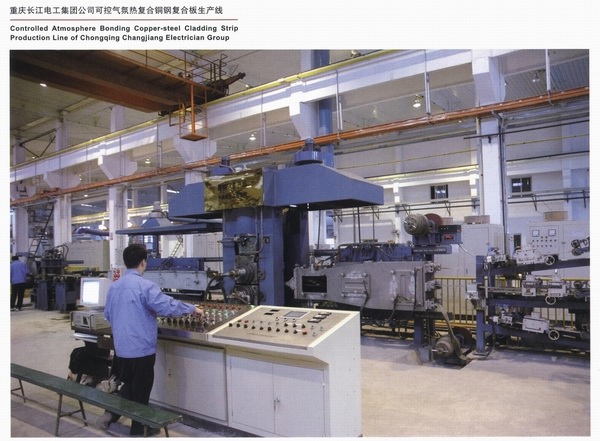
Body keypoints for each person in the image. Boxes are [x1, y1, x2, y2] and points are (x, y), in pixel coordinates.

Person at [97, 243, 204, 436]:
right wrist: (192, 309)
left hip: (121, 349)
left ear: (125, 262)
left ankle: (112, 415)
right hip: (141, 351)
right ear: (143, 263)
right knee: (141, 392)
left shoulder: (114, 287)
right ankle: (139, 430)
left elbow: (108, 315)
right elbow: (166, 306)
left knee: (128, 386)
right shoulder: (146, 286)